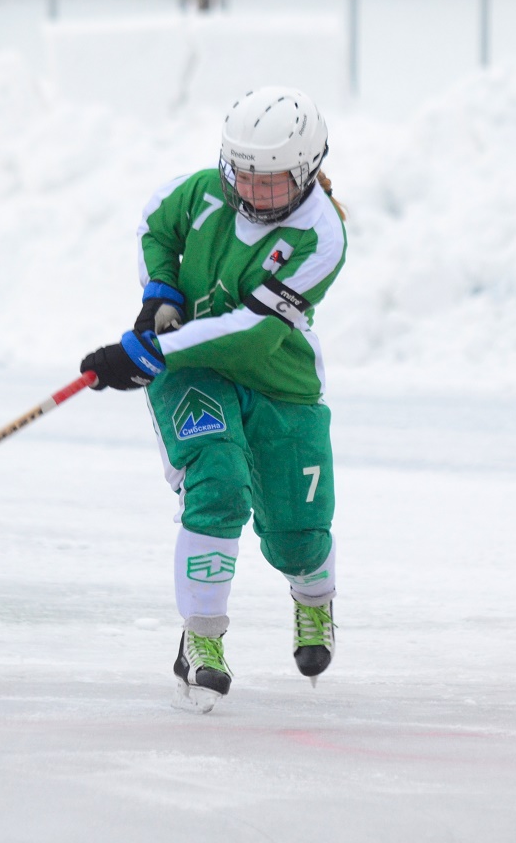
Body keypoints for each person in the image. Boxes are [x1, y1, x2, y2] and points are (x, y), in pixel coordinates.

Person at [79, 86, 347, 712]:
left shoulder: (321, 238)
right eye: (243, 176)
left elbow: (253, 336)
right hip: (190, 373)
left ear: (307, 171)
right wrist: (160, 292)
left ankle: (314, 599)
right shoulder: (200, 192)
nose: (253, 194)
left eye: (273, 182)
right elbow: (156, 224)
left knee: (297, 533)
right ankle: (202, 640)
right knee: (219, 484)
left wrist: (151, 352)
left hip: (278, 380)